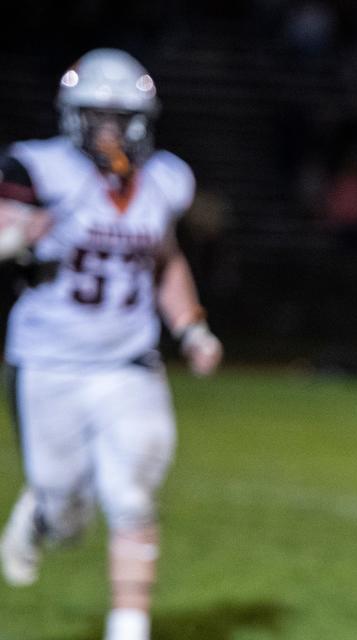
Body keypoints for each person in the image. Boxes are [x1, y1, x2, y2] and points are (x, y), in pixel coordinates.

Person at [0, 49, 222, 640]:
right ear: (72, 115)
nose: (109, 129)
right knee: (65, 512)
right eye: (96, 115)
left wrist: (191, 327)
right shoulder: (37, 167)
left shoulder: (165, 179)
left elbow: (165, 259)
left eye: (119, 117)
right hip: (49, 360)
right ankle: (43, 508)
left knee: (130, 494)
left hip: (129, 361)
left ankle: (129, 629)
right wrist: (14, 237)